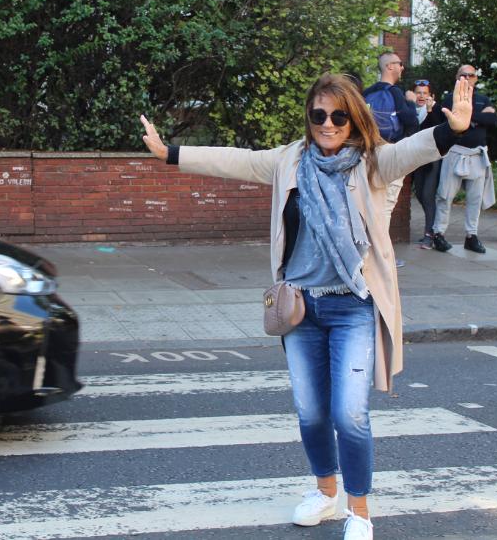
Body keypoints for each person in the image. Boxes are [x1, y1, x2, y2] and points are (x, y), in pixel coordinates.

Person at [140, 73, 472, 540]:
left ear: (353, 117)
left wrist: (451, 129)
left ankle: (359, 511)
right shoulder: (290, 161)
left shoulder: (373, 163)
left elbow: (414, 150)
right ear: (309, 117)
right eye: (319, 115)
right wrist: (168, 153)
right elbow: (235, 160)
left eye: (338, 115)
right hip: (301, 310)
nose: (328, 124)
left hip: (353, 307)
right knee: (311, 412)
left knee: (349, 414)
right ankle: (324, 491)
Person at [431, 65, 497, 254]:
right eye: (463, 75)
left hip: (476, 155)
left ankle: (471, 235)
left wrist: (467, 117)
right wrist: (480, 117)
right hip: (455, 153)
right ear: (457, 77)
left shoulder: (482, 99)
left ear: (476, 78)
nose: (467, 78)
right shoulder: (449, 99)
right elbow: (444, 120)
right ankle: (439, 233)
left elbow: (492, 121)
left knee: (475, 198)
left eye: (471, 75)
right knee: (445, 196)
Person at [361, 53, 419, 233]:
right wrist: (411, 102)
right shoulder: (395, 93)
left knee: (367, 203)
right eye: (400, 64)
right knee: (386, 205)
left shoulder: (367, 92)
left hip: (367, 152)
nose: (402, 68)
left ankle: (365, 251)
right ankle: (381, 256)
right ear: (389, 67)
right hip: (390, 152)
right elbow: (411, 122)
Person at [405, 80, 446, 249]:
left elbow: (433, 130)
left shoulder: (436, 109)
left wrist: (429, 111)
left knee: (428, 196)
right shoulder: (410, 111)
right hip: (417, 159)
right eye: (418, 92)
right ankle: (434, 228)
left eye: (425, 93)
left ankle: (430, 235)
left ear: (431, 96)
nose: (421, 96)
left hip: (431, 159)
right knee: (421, 195)